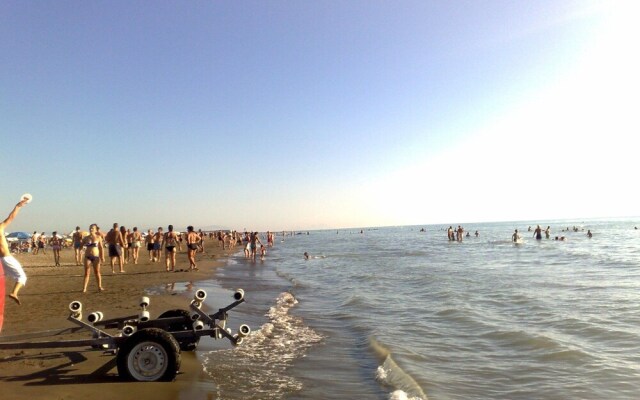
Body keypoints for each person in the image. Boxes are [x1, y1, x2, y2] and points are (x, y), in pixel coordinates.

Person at [0, 197, 30, 310]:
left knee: (4, 276)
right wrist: (18, 206)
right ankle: (14, 293)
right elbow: (11, 217)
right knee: (22, 277)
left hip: (0, 261)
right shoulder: (0, 227)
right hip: (6, 258)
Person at [82, 223, 105, 292]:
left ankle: (99, 286)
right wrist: (81, 250)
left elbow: (101, 248)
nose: (91, 229)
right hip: (87, 256)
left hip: (96, 256)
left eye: (92, 228)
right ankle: (84, 288)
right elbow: (81, 245)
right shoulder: (86, 238)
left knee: (97, 272)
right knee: (87, 272)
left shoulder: (98, 237)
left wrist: (102, 257)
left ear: (95, 229)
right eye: (90, 228)